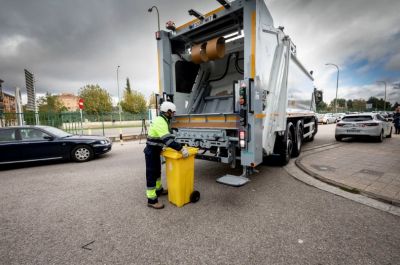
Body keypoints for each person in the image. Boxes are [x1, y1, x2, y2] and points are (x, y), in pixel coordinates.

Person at [144, 101, 189, 209]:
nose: (173, 114)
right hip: (151, 151)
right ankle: (152, 200)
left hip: (156, 150)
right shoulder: (161, 121)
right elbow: (167, 140)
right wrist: (181, 148)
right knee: (151, 174)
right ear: (167, 112)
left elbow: (163, 137)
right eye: (172, 112)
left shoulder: (164, 120)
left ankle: (158, 190)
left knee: (157, 172)